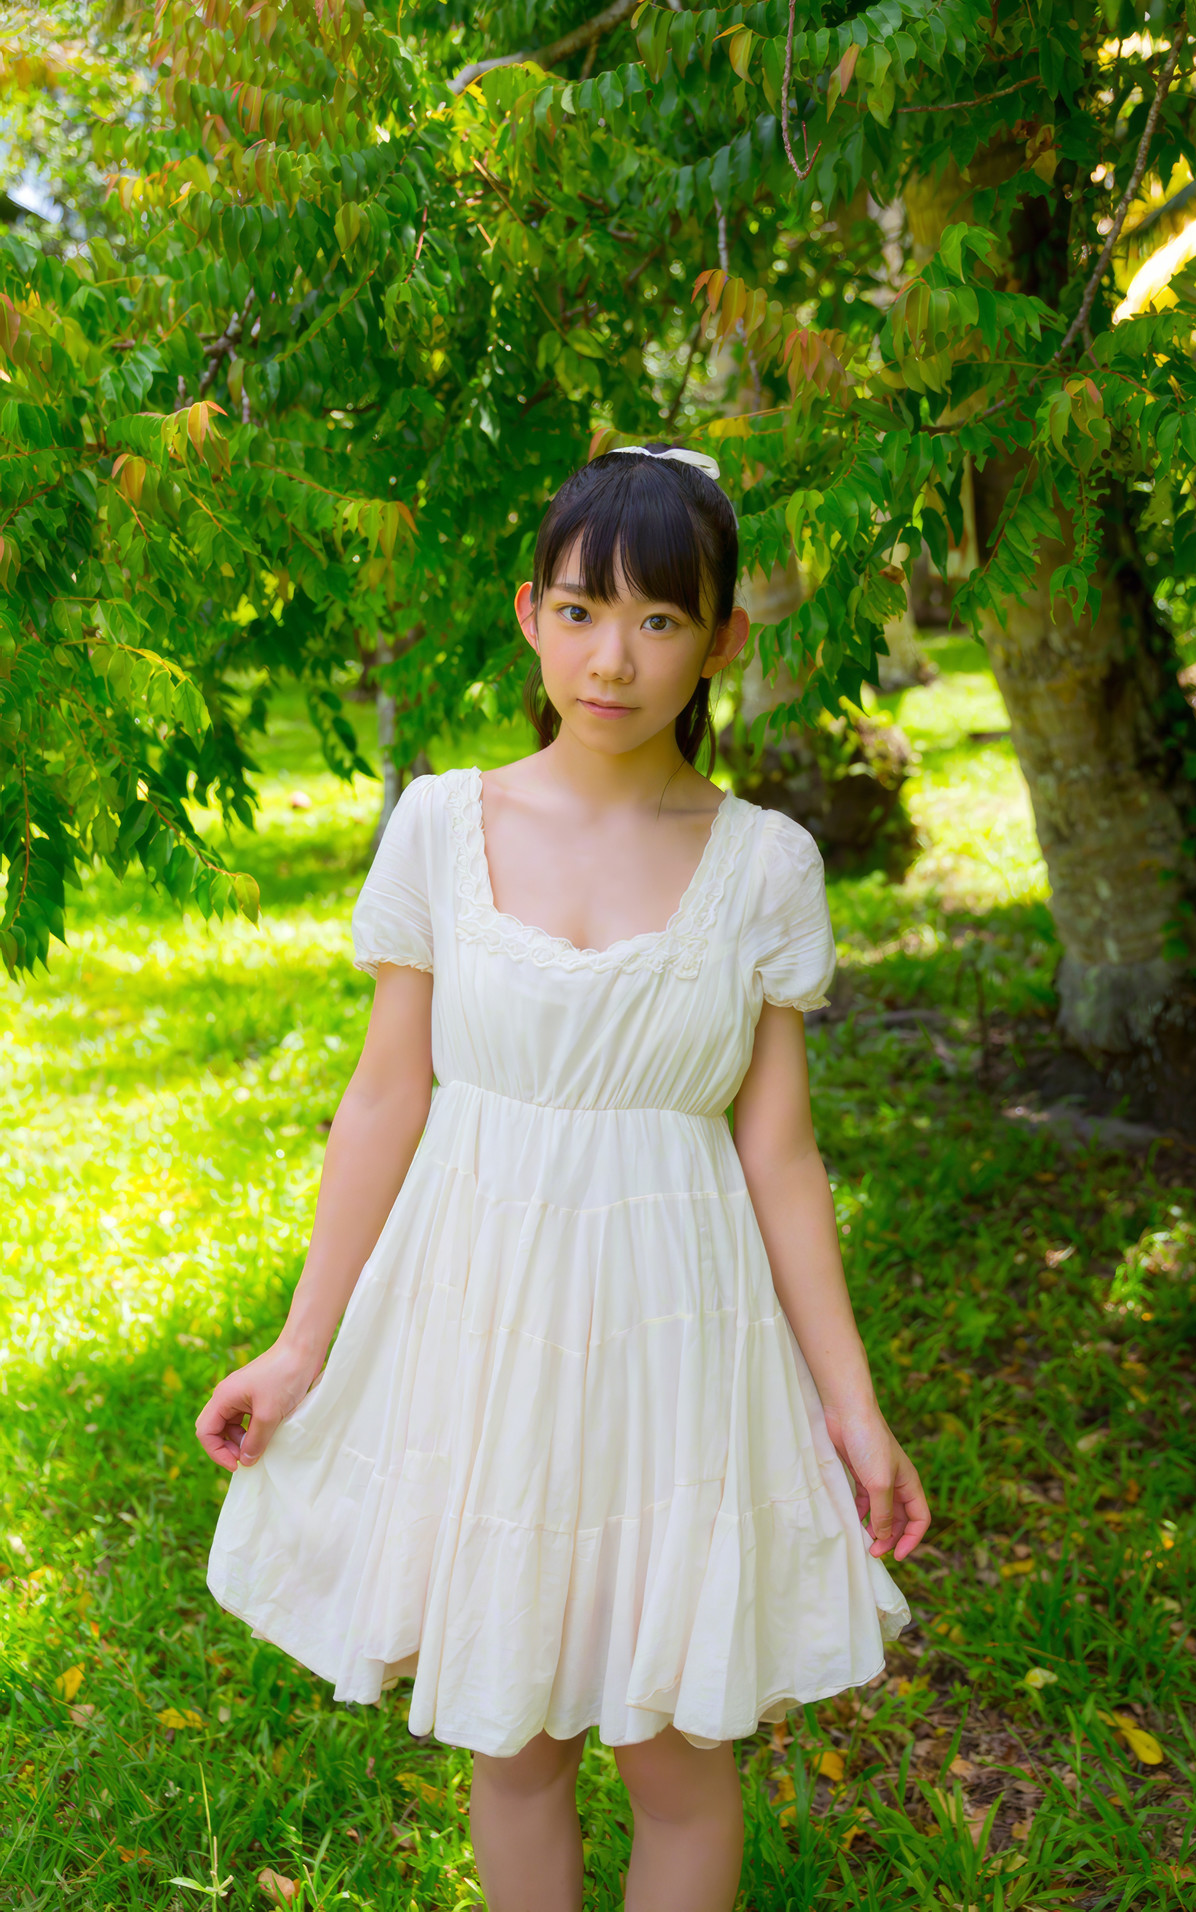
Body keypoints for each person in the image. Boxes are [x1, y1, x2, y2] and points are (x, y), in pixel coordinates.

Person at [196, 441, 930, 1912]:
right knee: (516, 1737)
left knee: (674, 1754)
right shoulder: (441, 824)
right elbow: (385, 1096)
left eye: (661, 619)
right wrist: (299, 1344)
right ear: (532, 614)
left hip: (677, 1340)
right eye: (585, 611)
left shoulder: (765, 863)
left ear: (722, 642)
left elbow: (780, 1154)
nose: (615, 659)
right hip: (485, 1327)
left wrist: (853, 1411)